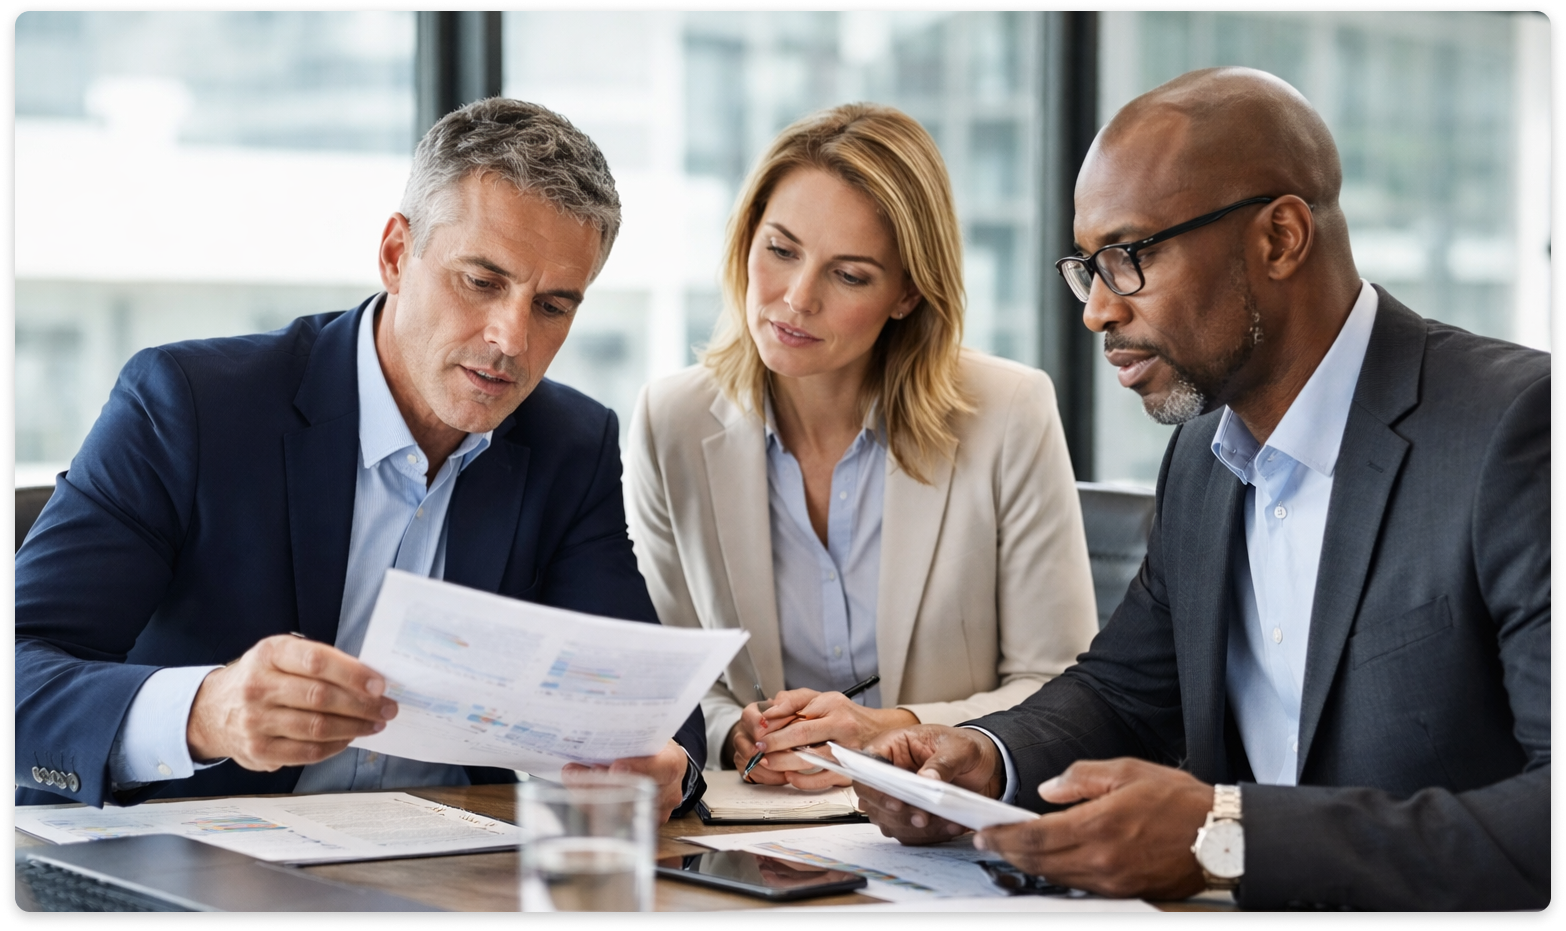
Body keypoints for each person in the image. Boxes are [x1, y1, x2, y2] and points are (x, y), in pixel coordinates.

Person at [854, 67, 1547, 911]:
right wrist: (982, 759)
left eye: (1131, 256)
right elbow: (1126, 692)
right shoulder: (1203, 456)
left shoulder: (1516, 430)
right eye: (1088, 268)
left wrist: (1230, 837)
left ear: (1281, 238)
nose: (1098, 311)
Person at [17, 98, 706, 822]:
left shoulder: (572, 443)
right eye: (482, 281)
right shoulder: (190, 406)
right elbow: (23, 668)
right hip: (189, 859)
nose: (511, 337)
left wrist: (666, 764)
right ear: (396, 255)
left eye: (554, 306)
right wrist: (204, 711)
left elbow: (646, 698)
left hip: (447, 872)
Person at [625, 103, 1098, 785]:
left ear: (906, 293)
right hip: (753, 822)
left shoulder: (1010, 413)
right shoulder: (670, 419)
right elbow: (669, 676)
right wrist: (739, 733)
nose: (795, 297)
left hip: (940, 821)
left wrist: (888, 729)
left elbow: (1061, 691)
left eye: (848, 274)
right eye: (781, 250)